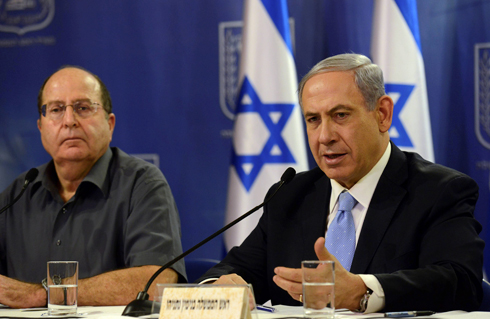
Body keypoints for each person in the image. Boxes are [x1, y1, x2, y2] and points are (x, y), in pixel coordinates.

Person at [199, 53, 485, 312]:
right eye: (313, 119)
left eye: (340, 115)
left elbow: (460, 281)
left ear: (382, 114)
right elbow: (239, 268)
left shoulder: (439, 190)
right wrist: (218, 286)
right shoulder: (290, 195)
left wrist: (361, 291)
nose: (325, 136)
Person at [0, 66, 186, 308]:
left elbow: (157, 281)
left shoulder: (142, 184)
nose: (69, 121)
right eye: (56, 110)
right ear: (40, 127)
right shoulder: (19, 193)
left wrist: (41, 294)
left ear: (110, 124)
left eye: (83, 108)